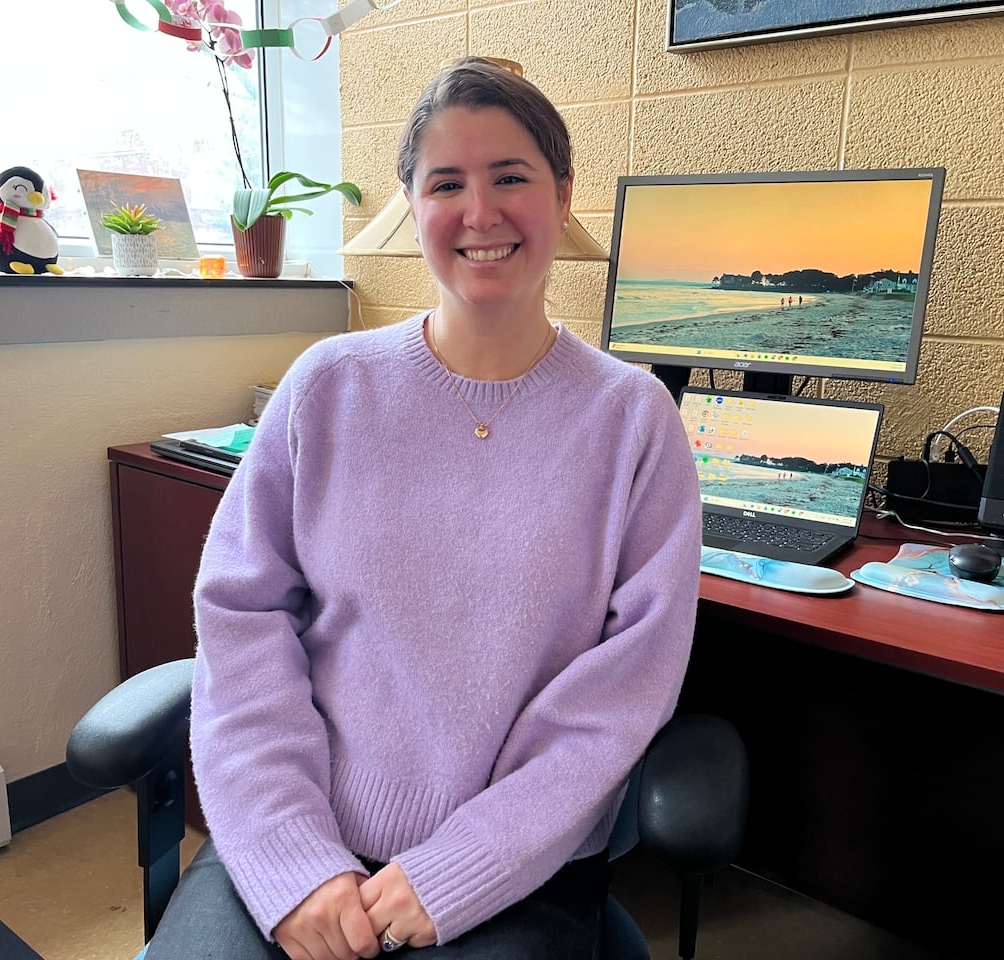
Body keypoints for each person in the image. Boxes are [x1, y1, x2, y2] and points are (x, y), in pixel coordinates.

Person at [144, 57, 702, 960]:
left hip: (518, 866)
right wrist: (294, 859)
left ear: (563, 196)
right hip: (304, 837)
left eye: (511, 177)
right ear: (413, 207)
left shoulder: (634, 421)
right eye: (447, 183)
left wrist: (461, 868)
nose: (480, 213)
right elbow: (242, 625)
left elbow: (621, 695)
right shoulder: (329, 385)